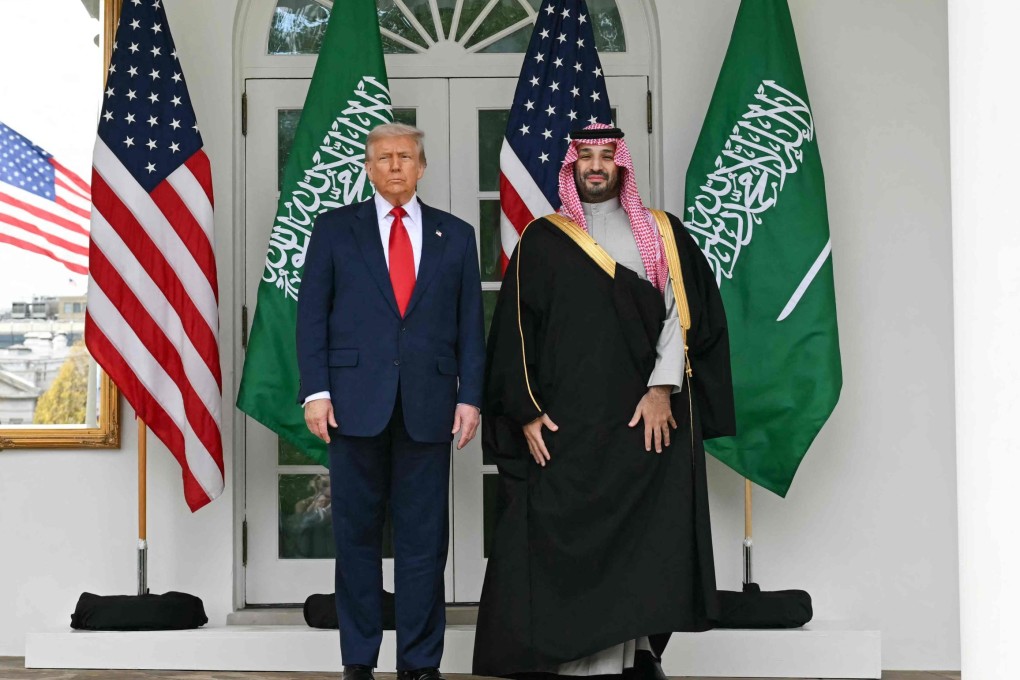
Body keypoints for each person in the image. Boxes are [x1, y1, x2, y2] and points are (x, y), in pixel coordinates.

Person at [473, 123, 735, 679]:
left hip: (647, 419)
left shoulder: (662, 232)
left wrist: (661, 390)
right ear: (572, 165)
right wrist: (526, 411)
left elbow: (682, 316)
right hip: (570, 424)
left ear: (622, 165)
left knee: (647, 538)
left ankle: (640, 655)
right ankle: (575, 660)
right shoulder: (543, 238)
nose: (596, 166)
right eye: (586, 156)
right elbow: (516, 331)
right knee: (571, 538)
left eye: (606, 156)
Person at [297, 122, 486, 680]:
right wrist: (316, 392)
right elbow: (311, 317)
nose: (395, 165)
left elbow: (470, 325)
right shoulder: (335, 230)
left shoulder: (457, 235)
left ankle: (420, 663)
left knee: (423, 543)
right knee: (355, 539)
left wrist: (470, 398)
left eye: (405, 156)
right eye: (383, 158)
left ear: (421, 167)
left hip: (430, 407)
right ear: (368, 168)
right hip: (352, 405)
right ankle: (359, 660)